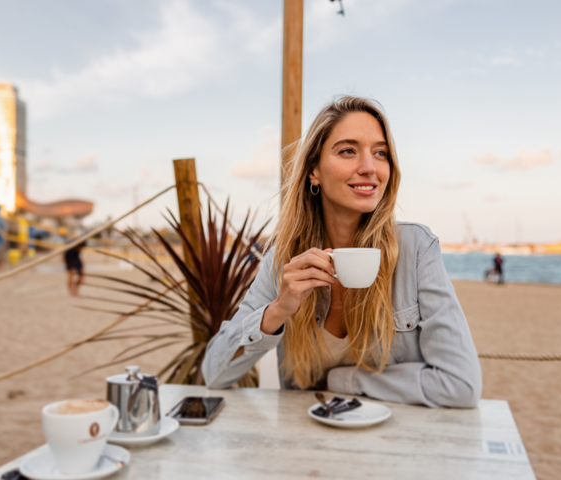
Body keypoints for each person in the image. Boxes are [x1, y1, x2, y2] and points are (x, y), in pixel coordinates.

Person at [202, 96, 482, 407]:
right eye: (348, 151)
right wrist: (279, 310)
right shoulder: (285, 261)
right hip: (309, 445)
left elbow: (461, 385)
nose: (369, 167)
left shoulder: (416, 250)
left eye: (380, 153)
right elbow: (214, 374)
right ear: (314, 171)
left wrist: (344, 380)